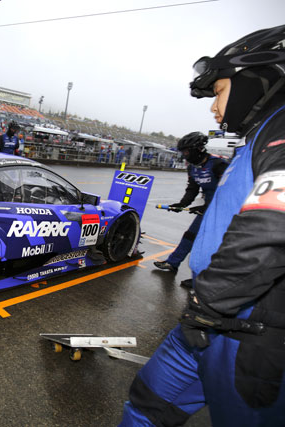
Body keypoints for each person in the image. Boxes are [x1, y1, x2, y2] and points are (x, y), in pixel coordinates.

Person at [120, 25, 285, 426]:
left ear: (258, 78)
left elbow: (272, 227)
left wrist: (209, 303)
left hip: (250, 329)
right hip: (208, 318)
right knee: (145, 404)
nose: (213, 107)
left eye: (219, 91)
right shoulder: (257, 138)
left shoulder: (280, 129)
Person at [153, 132, 229, 274]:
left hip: (226, 207)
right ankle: (172, 263)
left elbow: (229, 190)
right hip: (208, 207)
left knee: (213, 242)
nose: (184, 156)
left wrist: (207, 207)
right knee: (190, 235)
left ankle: (202, 277)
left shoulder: (218, 164)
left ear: (198, 149)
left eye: (186, 152)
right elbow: (192, 189)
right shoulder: (192, 167)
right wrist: (181, 204)